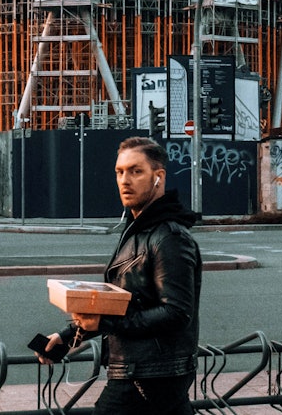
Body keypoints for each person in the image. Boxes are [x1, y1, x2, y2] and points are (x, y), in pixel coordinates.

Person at [38, 136, 202, 414]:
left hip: (150, 374)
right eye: (120, 172)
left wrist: (107, 323)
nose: (125, 180)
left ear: (158, 177)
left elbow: (176, 313)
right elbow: (125, 304)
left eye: (136, 171)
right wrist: (68, 336)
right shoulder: (138, 230)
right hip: (144, 371)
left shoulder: (169, 238)